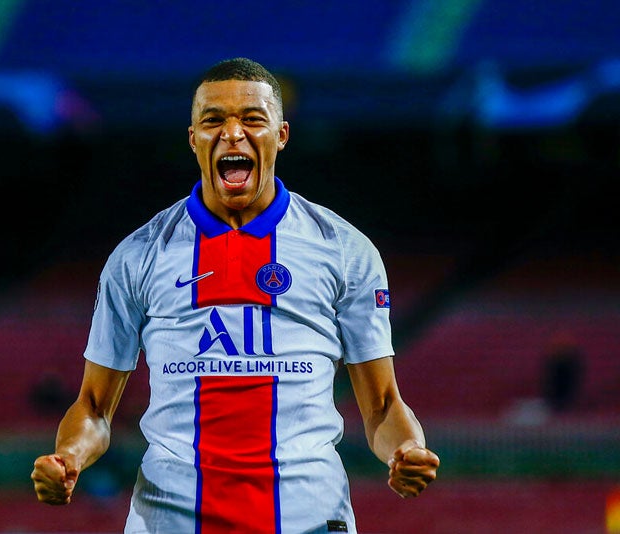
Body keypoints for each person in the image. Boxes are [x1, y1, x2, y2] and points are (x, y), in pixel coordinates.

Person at [32, 57, 439, 533]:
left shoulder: (344, 250)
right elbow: (95, 408)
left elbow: (384, 406)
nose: (232, 133)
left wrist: (406, 450)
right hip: (172, 520)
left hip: (306, 519)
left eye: (251, 119)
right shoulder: (138, 256)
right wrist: (69, 457)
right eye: (213, 120)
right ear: (193, 139)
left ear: (281, 135)